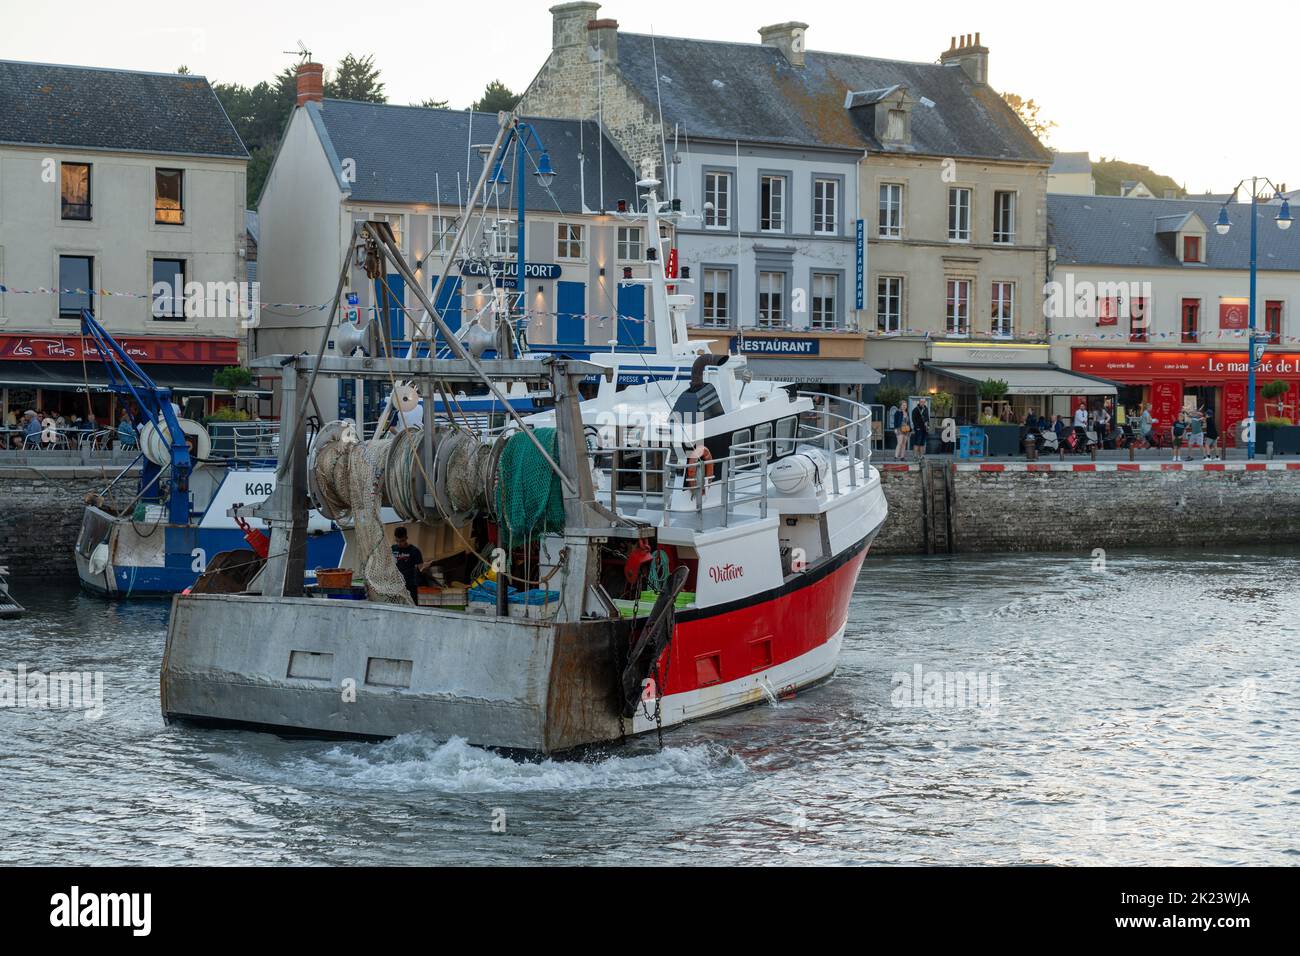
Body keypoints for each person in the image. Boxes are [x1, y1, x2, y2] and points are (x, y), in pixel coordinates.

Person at [391, 526, 425, 604]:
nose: (399, 543)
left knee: (412, 605)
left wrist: (425, 566)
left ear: (406, 538)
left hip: (410, 584)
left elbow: (421, 568)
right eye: (397, 541)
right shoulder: (393, 549)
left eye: (402, 541)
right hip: (396, 584)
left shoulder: (414, 551)